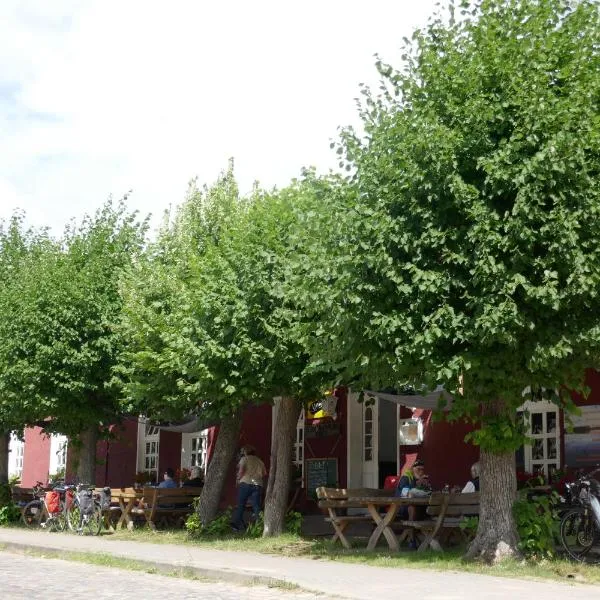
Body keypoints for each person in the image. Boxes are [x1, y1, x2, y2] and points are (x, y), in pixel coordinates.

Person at [231, 445, 266, 531]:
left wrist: (238, 479)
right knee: (256, 506)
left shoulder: (244, 459)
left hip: (245, 483)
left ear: (245, 452)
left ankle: (236, 525)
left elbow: (241, 470)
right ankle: (260, 525)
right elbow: (264, 473)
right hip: (258, 485)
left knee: (241, 504)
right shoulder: (259, 461)